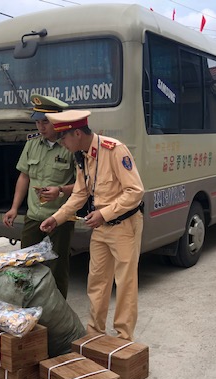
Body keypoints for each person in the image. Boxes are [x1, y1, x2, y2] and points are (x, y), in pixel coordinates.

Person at [40, 110, 144, 341]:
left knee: (125, 283)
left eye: (64, 138)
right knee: (97, 281)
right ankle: (95, 334)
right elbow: (80, 194)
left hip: (124, 226)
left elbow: (135, 192)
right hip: (100, 228)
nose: (62, 144)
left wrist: (104, 214)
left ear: (77, 133)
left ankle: (123, 338)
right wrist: (56, 218)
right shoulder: (82, 156)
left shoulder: (114, 150)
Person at [3, 94, 77, 299]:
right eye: (37, 121)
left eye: (45, 122)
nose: (40, 127)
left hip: (60, 217)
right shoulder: (32, 144)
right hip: (34, 215)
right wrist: (14, 208)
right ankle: (27, 305)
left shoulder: (71, 146)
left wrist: (60, 190)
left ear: (57, 121)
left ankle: (58, 307)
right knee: (26, 263)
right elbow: (24, 176)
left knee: (58, 267)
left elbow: (83, 185)